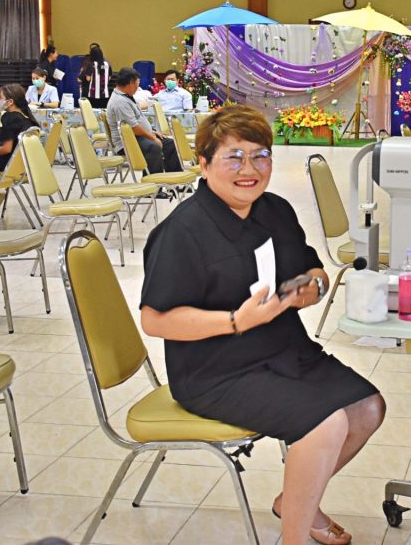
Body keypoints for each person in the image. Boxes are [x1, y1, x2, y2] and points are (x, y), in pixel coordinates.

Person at [140, 106, 385, 545]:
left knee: (368, 408)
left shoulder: (275, 210)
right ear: (204, 163)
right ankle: (295, 534)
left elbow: (313, 268)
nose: (249, 170)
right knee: (327, 423)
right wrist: (236, 321)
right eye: (234, 157)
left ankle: (294, 500)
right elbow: (154, 320)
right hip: (215, 370)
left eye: (260, 156)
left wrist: (314, 286)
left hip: (284, 350)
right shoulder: (183, 230)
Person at [106, 67, 182, 175]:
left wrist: (151, 132)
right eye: (137, 84)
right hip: (127, 141)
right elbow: (133, 128)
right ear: (130, 83)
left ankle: (174, 179)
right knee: (153, 147)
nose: (137, 88)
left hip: (138, 136)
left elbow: (137, 121)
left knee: (169, 143)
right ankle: (153, 182)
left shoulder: (126, 96)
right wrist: (152, 137)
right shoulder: (119, 101)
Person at [0, 84, 39, 172]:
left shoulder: (10, 117)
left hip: (7, 162)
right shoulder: (26, 117)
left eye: (0, 98)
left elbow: (6, 149)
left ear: (10, 102)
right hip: (21, 163)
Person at [80, 42, 111, 109]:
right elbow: (109, 77)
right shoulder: (107, 64)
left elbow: (88, 79)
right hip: (104, 95)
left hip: (92, 95)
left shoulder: (91, 64)